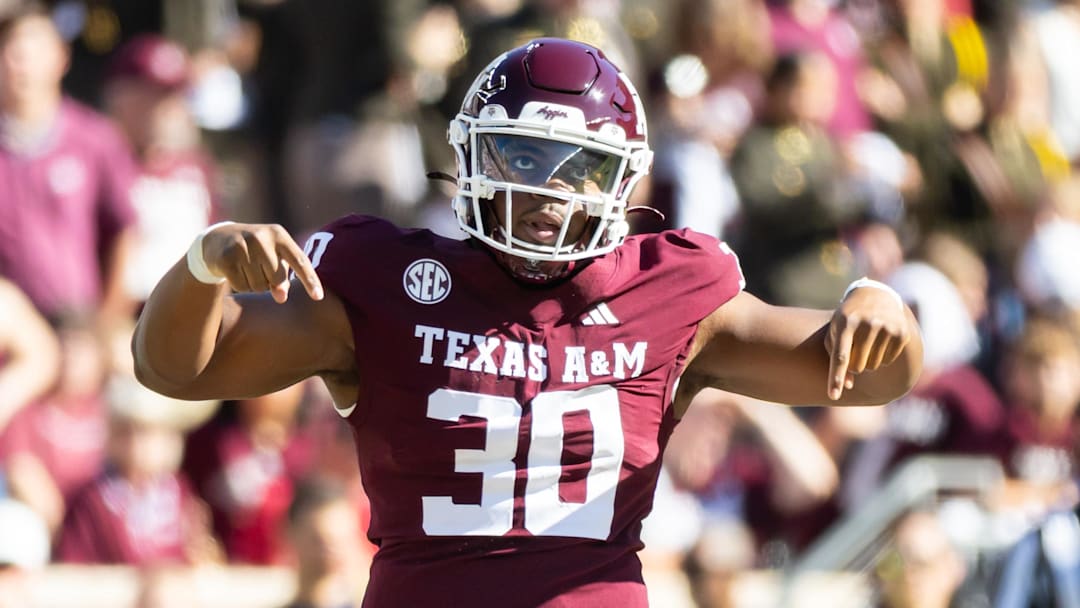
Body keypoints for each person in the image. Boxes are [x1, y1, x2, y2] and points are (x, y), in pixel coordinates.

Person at [133, 38, 923, 607]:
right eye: (520, 156)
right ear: (473, 156)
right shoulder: (386, 281)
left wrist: (883, 309)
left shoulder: (674, 292)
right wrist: (204, 267)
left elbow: (867, 376)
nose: (547, 191)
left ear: (621, 177)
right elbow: (172, 369)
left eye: (575, 166)